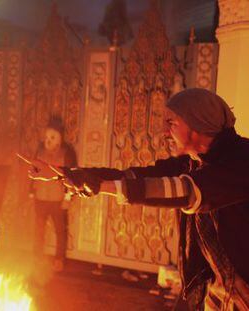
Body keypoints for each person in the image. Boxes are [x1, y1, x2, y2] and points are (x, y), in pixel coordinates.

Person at [29, 88, 249, 310]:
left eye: (171, 123)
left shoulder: (242, 159)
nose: (164, 131)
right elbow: (133, 177)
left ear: (196, 123)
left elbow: (186, 191)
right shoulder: (193, 162)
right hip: (218, 290)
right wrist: (66, 174)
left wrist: (101, 186)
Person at [30, 116, 77, 272]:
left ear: (60, 138)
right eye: (47, 137)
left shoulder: (67, 153)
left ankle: (59, 259)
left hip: (57, 199)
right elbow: (33, 170)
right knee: (38, 230)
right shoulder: (40, 150)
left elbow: (72, 178)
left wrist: (68, 197)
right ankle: (36, 257)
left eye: (52, 137)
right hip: (41, 197)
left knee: (60, 230)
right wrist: (31, 191)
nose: (48, 140)